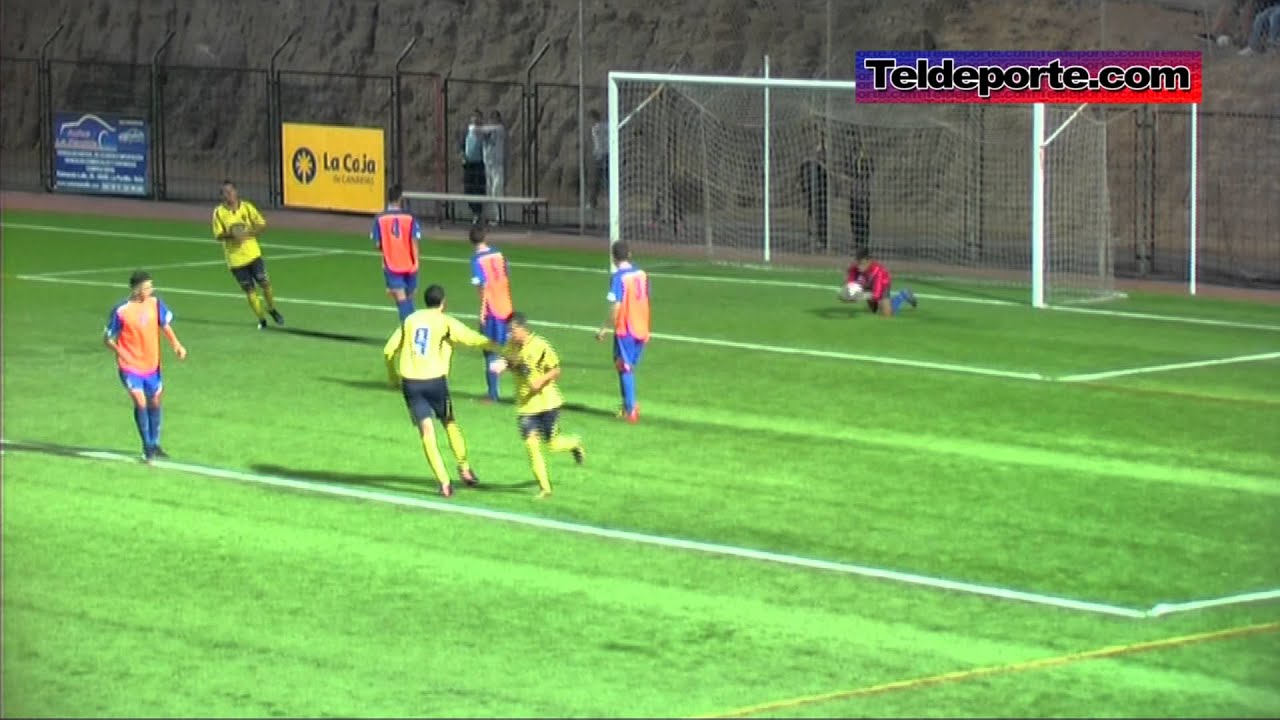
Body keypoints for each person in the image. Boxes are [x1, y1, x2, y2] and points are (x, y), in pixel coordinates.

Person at [383, 284, 500, 497]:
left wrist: (392, 376)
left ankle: (444, 483)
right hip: (435, 381)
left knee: (427, 432)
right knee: (449, 422)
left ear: (425, 302)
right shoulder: (445, 322)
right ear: (443, 303)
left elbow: (389, 350)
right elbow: (471, 338)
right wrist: (495, 344)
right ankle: (464, 469)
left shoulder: (410, 320)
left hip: (411, 382)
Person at [490, 312, 585, 499]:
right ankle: (545, 488)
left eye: (512, 330)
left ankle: (575, 444)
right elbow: (509, 361)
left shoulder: (540, 345)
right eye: (508, 331)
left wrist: (540, 381)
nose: (510, 335)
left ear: (523, 329)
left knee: (553, 445)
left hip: (547, 402)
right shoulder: (511, 346)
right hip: (526, 406)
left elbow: (556, 370)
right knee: (531, 446)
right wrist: (502, 365)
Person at [103, 270, 188, 462]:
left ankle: (155, 444)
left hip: (151, 364)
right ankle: (147, 447)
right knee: (140, 402)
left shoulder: (155, 304)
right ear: (136, 289)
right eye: (147, 287)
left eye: (151, 286)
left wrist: (176, 344)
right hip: (130, 366)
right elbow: (107, 339)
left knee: (155, 402)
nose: (151, 290)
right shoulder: (121, 310)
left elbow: (165, 325)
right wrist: (121, 352)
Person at [211, 180, 284, 330]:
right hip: (235, 260)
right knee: (250, 290)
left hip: (253, 254)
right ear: (221, 195)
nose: (229, 195)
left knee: (265, 283)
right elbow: (218, 235)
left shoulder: (247, 208)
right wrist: (232, 235)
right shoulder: (219, 212)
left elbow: (262, 224)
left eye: (231, 191)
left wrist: (248, 233)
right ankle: (262, 319)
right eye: (225, 192)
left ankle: (272, 309)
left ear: (236, 192)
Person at [595, 241, 650, 423]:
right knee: (624, 365)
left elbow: (616, 306)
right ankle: (629, 403)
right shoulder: (642, 274)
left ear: (613, 257)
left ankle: (631, 409)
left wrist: (604, 328)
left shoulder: (619, 278)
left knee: (624, 367)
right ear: (630, 254)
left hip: (627, 328)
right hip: (643, 326)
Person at [469, 225, 514, 402]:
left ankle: (493, 394)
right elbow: (505, 277)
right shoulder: (499, 254)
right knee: (512, 348)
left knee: (490, 351)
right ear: (485, 237)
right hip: (507, 307)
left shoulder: (476, 261)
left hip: (492, 311)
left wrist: (482, 313)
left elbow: (483, 288)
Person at [371, 184, 422, 322]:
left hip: (392, 263)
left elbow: (377, 244)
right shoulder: (410, 217)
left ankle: (408, 330)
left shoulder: (380, 218)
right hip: (410, 263)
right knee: (409, 297)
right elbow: (414, 240)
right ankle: (413, 328)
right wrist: (417, 261)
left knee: (401, 299)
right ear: (401, 198)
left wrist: (388, 246)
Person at [839, 248, 918, 317]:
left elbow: (876, 294)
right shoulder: (854, 269)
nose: (859, 266)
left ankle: (903, 295)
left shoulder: (878, 272)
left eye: (861, 263)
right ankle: (884, 304)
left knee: (887, 314)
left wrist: (860, 296)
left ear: (869, 261)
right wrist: (848, 295)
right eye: (857, 263)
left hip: (883, 285)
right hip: (867, 286)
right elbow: (850, 284)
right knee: (874, 311)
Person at [798, 140, 830, 252]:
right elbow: (804, 176)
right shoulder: (813, 165)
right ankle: (812, 239)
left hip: (823, 197)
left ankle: (823, 240)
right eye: (821, 153)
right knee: (812, 216)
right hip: (813, 196)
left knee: (823, 218)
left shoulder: (825, 167)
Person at [460, 109, 487, 224]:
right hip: (468, 164)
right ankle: (473, 211)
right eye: (473, 117)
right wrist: (463, 157)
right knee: (468, 189)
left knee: (478, 189)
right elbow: (462, 146)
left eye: (478, 118)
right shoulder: (467, 131)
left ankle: (478, 213)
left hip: (479, 164)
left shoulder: (484, 133)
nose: (475, 120)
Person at [482, 109, 508, 225]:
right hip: (488, 164)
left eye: (496, 118)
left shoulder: (500, 129)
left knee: (497, 190)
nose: (494, 121)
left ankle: (499, 217)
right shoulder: (486, 131)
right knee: (489, 191)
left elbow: (488, 129)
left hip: (497, 164)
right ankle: (491, 217)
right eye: (492, 118)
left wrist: (482, 128)